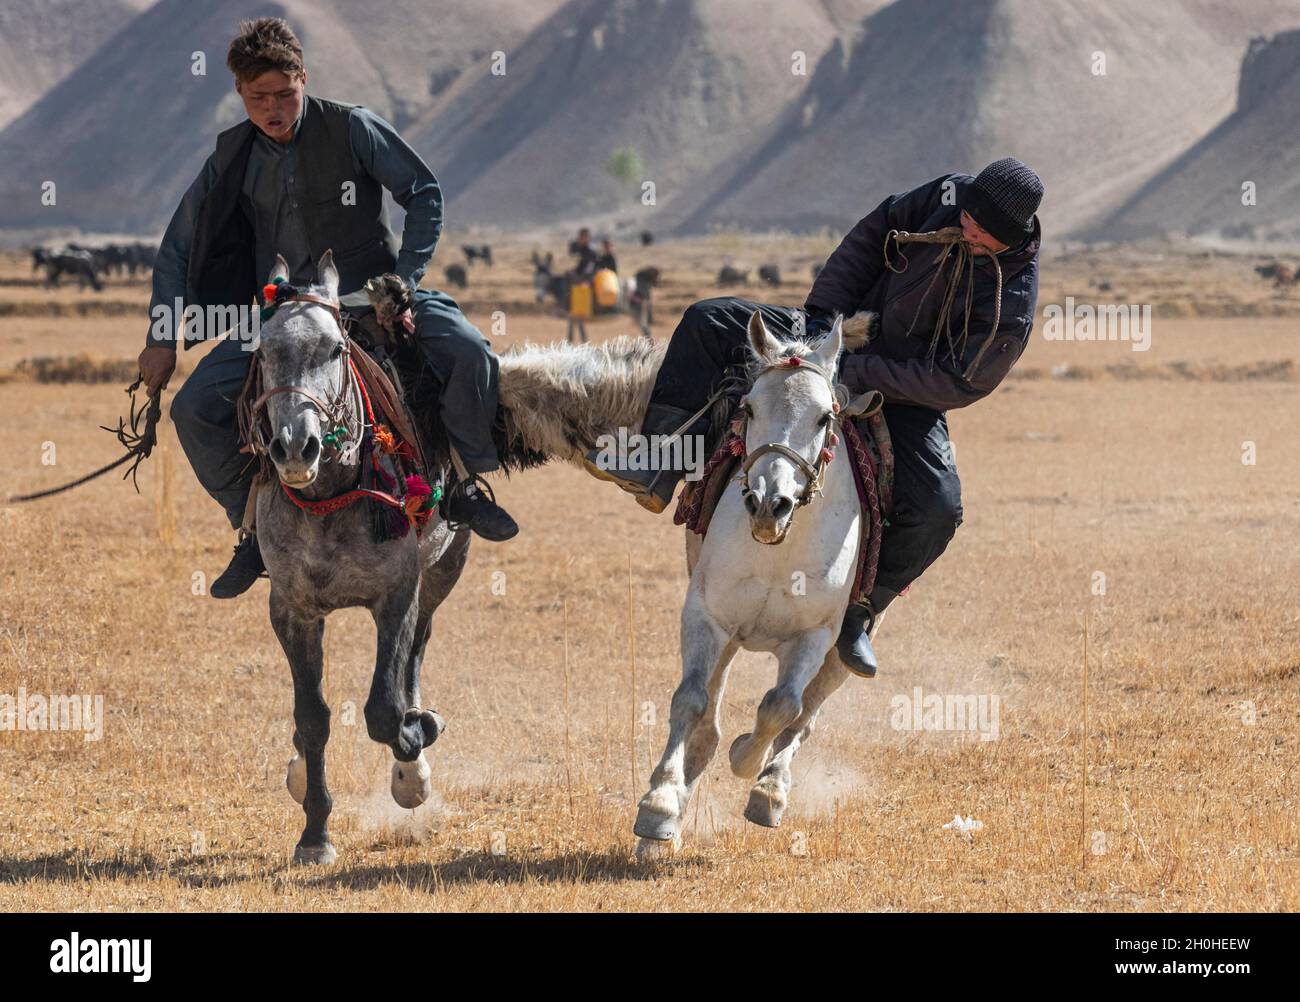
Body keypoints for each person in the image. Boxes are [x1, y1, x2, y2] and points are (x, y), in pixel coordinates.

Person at [586, 158, 1044, 677]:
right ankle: (658, 461)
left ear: (1009, 237)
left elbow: (960, 381)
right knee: (708, 321)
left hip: (901, 389)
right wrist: (826, 320)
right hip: (837, 336)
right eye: (965, 216)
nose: (965, 226)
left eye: (978, 230)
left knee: (939, 509)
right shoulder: (950, 196)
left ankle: (859, 613)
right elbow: (870, 237)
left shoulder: (1014, 300)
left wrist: (858, 370)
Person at [136, 17, 518, 599]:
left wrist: (405, 281)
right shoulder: (231, 156)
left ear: (304, 79)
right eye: (258, 97)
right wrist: (162, 335)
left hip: (371, 300)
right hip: (281, 314)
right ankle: (253, 532)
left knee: (467, 351)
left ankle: (466, 487)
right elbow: (178, 246)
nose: (273, 107)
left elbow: (424, 193)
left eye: (284, 93)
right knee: (193, 410)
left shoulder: (352, 127)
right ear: (239, 93)